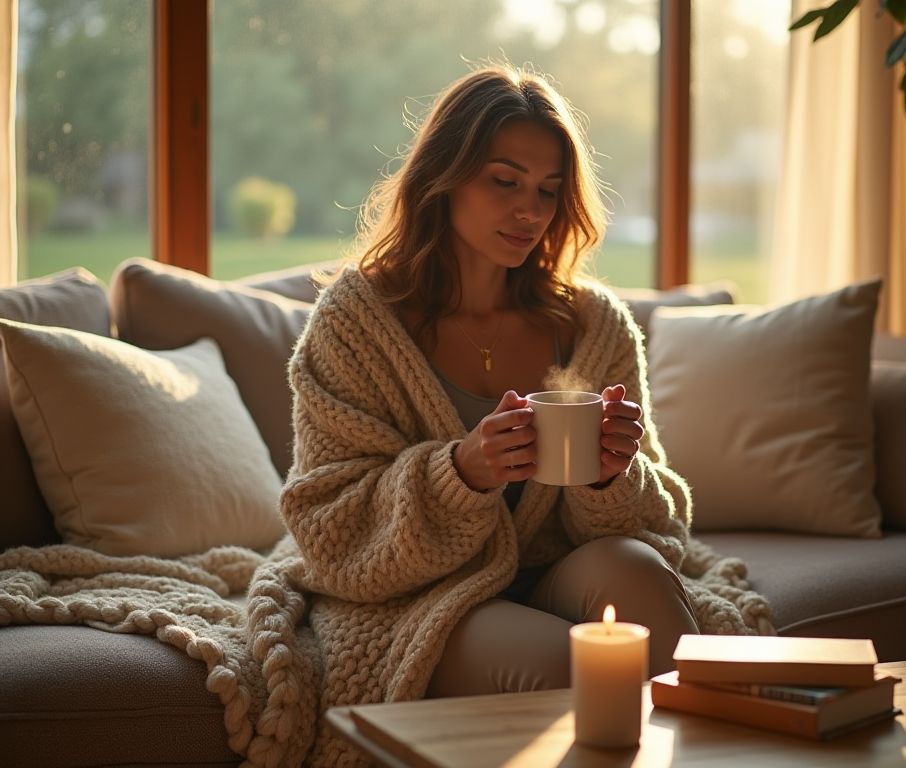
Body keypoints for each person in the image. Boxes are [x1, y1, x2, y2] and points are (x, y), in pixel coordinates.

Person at [281, 63, 700, 714]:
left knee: (641, 577)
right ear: (441, 179)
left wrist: (610, 476)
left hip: (558, 567)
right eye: (504, 182)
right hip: (419, 594)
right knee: (571, 669)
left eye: (548, 190)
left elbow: (660, 518)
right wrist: (461, 471)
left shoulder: (593, 325)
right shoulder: (354, 323)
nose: (529, 211)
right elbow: (328, 524)